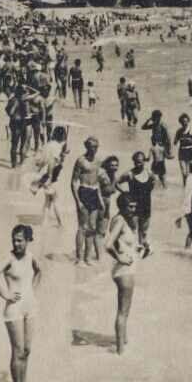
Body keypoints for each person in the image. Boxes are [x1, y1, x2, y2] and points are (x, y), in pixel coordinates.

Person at [0, 224, 42, 382]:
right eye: (14, 240)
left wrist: (33, 290)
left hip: (30, 307)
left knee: (27, 350)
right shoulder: (8, 259)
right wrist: (5, 295)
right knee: (17, 350)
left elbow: (39, 271)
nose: (16, 244)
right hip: (14, 309)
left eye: (20, 240)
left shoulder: (31, 257)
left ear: (28, 241)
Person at [106, 194, 139, 355]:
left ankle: (122, 345)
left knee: (124, 312)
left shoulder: (119, 219)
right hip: (123, 270)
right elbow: (108, 244)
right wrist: (120, 258)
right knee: (123, 312)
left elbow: (121, 244)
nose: (133, 210)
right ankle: (120, 352)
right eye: (130, 207)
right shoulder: (120, 220)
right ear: (122, 206)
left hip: (123, 270)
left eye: (134, 206)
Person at [71, 137, 105, 264]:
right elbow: (73, 182)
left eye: (96, 146)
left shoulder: (98, 161)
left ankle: (87, 257)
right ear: (86, 146)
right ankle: (79, 258)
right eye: (91, 146)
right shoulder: (81, 161)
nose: (94, 149)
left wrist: (100, 198)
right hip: (84, 191)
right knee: (82, 227)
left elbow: (97, 182)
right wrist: (77, 201)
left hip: (94, 193)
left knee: (92, 227)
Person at [118, 151, 156, 256]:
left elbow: (154, 181)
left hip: (146, 204)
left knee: (143, 231)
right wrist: (124, 193)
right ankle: (131, 251)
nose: (138, 164)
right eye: (136, 162)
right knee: (133, 229)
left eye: (140, 162)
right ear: (133, 161)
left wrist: (149, 190)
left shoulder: (149, 173)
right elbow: (116, 182)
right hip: (133, 205)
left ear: (144, 161)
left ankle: (142, 250)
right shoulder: (129, 174)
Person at [141, 110, 171, 188]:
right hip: (155, 145)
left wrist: (169, 150)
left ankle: (163, 186)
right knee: (157, 166)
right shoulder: (154, 125)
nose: (155, 119)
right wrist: (148, 120)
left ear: (160, 117)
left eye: (157, 117)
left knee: (160, 165)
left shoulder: (163, 125)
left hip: (162, 146)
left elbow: (168, 138)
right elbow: (143, 127)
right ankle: (162, 186)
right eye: (154, 118)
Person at [174, 113, 192, 183]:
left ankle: (191, 188)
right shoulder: (179, 131)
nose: (184, 123)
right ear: (180, 122)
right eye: (183, 121)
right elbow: (175, 142)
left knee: (190, 173)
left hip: (191, 152)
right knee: (184, 173)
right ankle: (185, 188)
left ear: (188, 121)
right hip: (182, 152)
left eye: (186, 121)